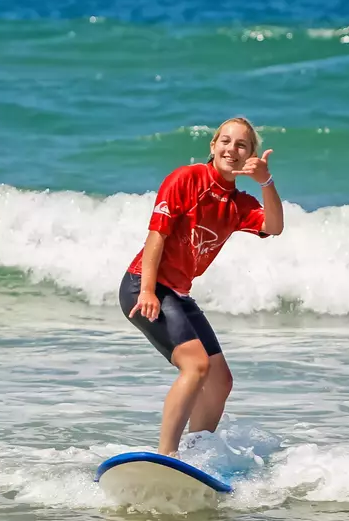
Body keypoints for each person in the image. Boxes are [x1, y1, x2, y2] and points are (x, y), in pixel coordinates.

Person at [118, 116, 284, 457]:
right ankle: (167, 455)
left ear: (250, 155)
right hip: (143, 285)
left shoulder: (239, 204)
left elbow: (274, 226)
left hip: (178, 293)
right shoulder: (186, 179)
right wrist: (148, 290)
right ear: (213, 146)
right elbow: (156, 236)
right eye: (225, 141)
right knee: (196, 366)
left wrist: (266, 182)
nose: (232, 150)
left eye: (241, 145)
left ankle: (196, 454)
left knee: (221, 381)